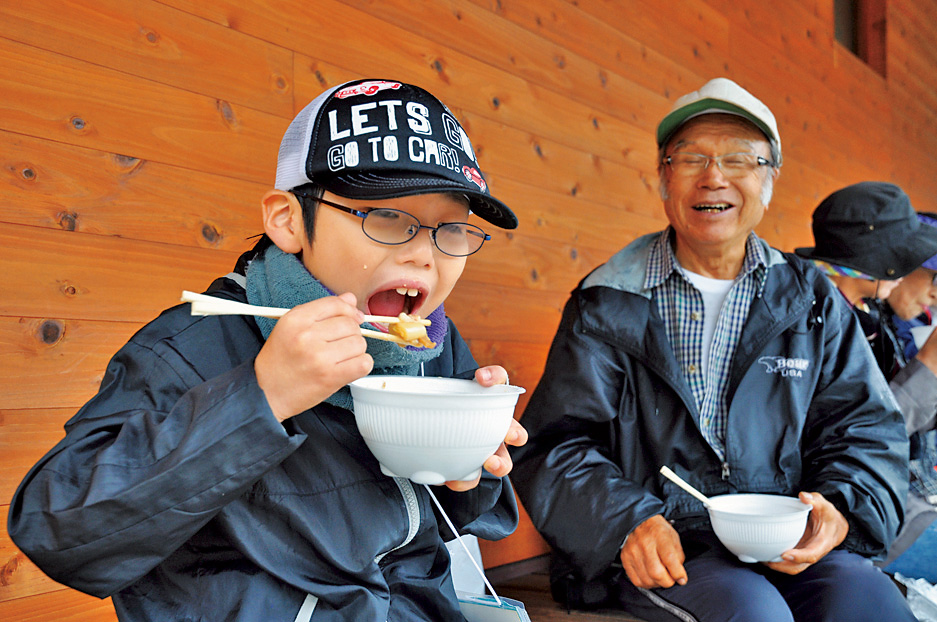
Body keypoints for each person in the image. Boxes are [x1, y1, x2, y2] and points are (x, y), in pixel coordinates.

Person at [8, 78, 528, 621]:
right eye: (388, 218)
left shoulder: (430, 345)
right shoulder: (191, 345)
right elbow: (55, 530)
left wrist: (473, 466)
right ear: (287, 220)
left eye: (452, 229)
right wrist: (262, 395)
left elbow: (447, 521)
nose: (425, 256)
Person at [510, 77, 916, 621]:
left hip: (786, 541)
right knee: (753, 612)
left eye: (739, 159)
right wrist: (627, 522)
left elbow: (865, 426)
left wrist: (840, 508)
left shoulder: (811, 298)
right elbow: (557, 443)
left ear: (769, 179)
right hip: (667, 547)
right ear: (664, 177)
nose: (714, 176)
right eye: (691, 158)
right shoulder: (608, 299)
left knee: (869, 601)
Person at [795, 196, 937, 585]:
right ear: (876, 259)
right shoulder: (812, 318)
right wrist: (928, 366)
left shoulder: (874, 320)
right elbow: (861, 432)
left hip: (889, 501)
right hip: (848, 511)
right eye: (905, 260)